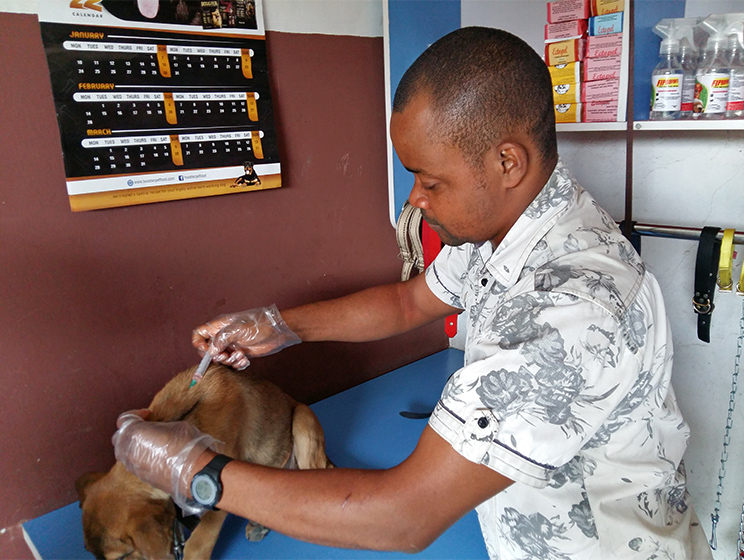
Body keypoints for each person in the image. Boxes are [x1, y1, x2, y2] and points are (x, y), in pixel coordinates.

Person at [113, 27, 711, 559]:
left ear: (507, 162)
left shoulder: (574, 311)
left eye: (430, 181)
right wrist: (279, 324)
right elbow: (412, 302)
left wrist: (193, 468)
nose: (414, 201)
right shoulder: (505, 225)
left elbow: (405, 515)